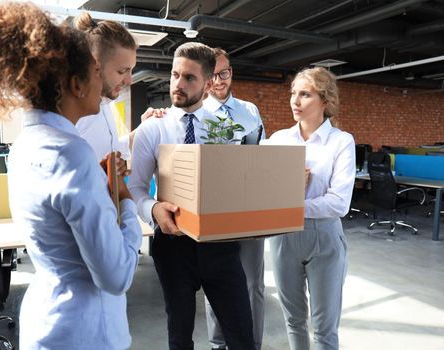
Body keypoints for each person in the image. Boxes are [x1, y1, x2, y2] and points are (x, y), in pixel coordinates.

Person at [0, 3, 142, 349]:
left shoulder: (25, 146)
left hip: (47, 320)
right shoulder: (71, 154)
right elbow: (117, 275)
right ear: (77, 84)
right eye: (95, 70)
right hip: (86, 332)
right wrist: (124, 198)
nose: (101, 80)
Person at [128, 42, 255, 350]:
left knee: (241, 334)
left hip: (220, 244)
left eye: (189, 78)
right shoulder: (152, 129)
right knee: (180, 334)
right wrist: (153, 208)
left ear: (209, 83)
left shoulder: (226, 129)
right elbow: (135, 186)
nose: (178, 85)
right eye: (175, 75)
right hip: (173, 245)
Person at [260, 67, 355, 350]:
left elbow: (339, 203)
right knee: (293, 320)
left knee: (325, 327)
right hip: (282, 238)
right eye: (293, 93)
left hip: (323, 238)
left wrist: (290, 201)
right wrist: (286, 197)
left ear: (325, 101)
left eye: (305, 94)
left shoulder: (341, 142)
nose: (295, 101)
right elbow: (262, 196)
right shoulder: (277, 140)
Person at [202, 47, 266, 350]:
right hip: (215, 209)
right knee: (216, 281)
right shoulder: (197, 113)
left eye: (223, 72)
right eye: (212, 74)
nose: (218, 80)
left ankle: (251, 343)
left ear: (231, 72)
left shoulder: (250, 111)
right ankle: (218, 344)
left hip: (249, 207)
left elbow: (262, 155)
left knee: (253, 284)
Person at [74, 13, 138, 162]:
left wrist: (146, 129)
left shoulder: (106, 105)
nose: (129, 80)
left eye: (131, 70)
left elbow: (114, 150)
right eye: (122, 71)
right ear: (95, 64)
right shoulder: (75, 113)